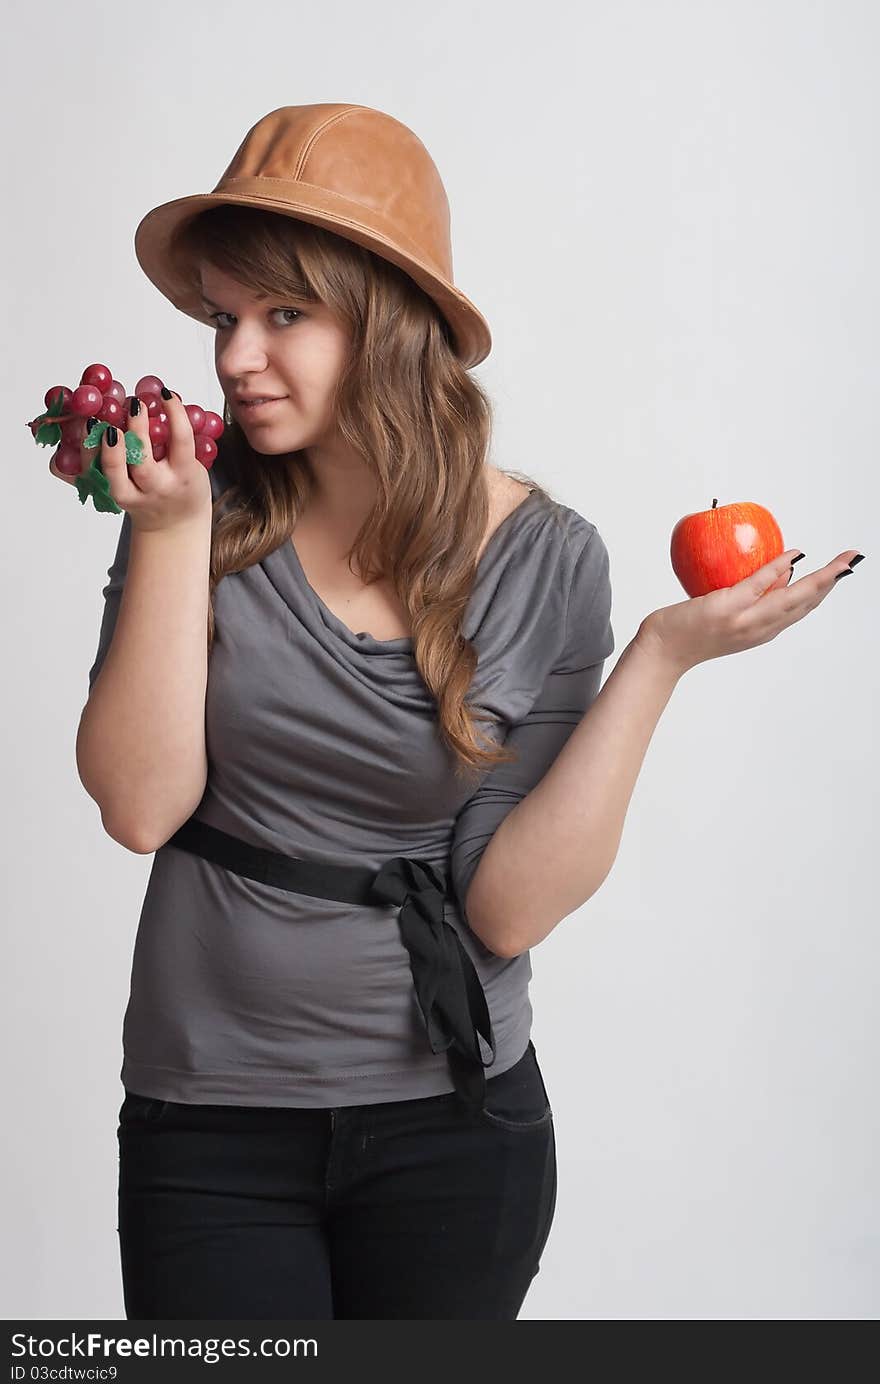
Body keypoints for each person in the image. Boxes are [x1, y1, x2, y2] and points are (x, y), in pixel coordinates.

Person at [62, 104, 863, 1320]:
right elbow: (138, 804)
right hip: (209, 1121)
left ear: (388, 322)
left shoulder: (550, 560)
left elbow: (505, 904)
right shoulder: (191, 502)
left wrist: (656, 657)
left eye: (284, 315)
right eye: (225, 316)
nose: (234, 358)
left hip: (456, 1125)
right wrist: (167, 530)